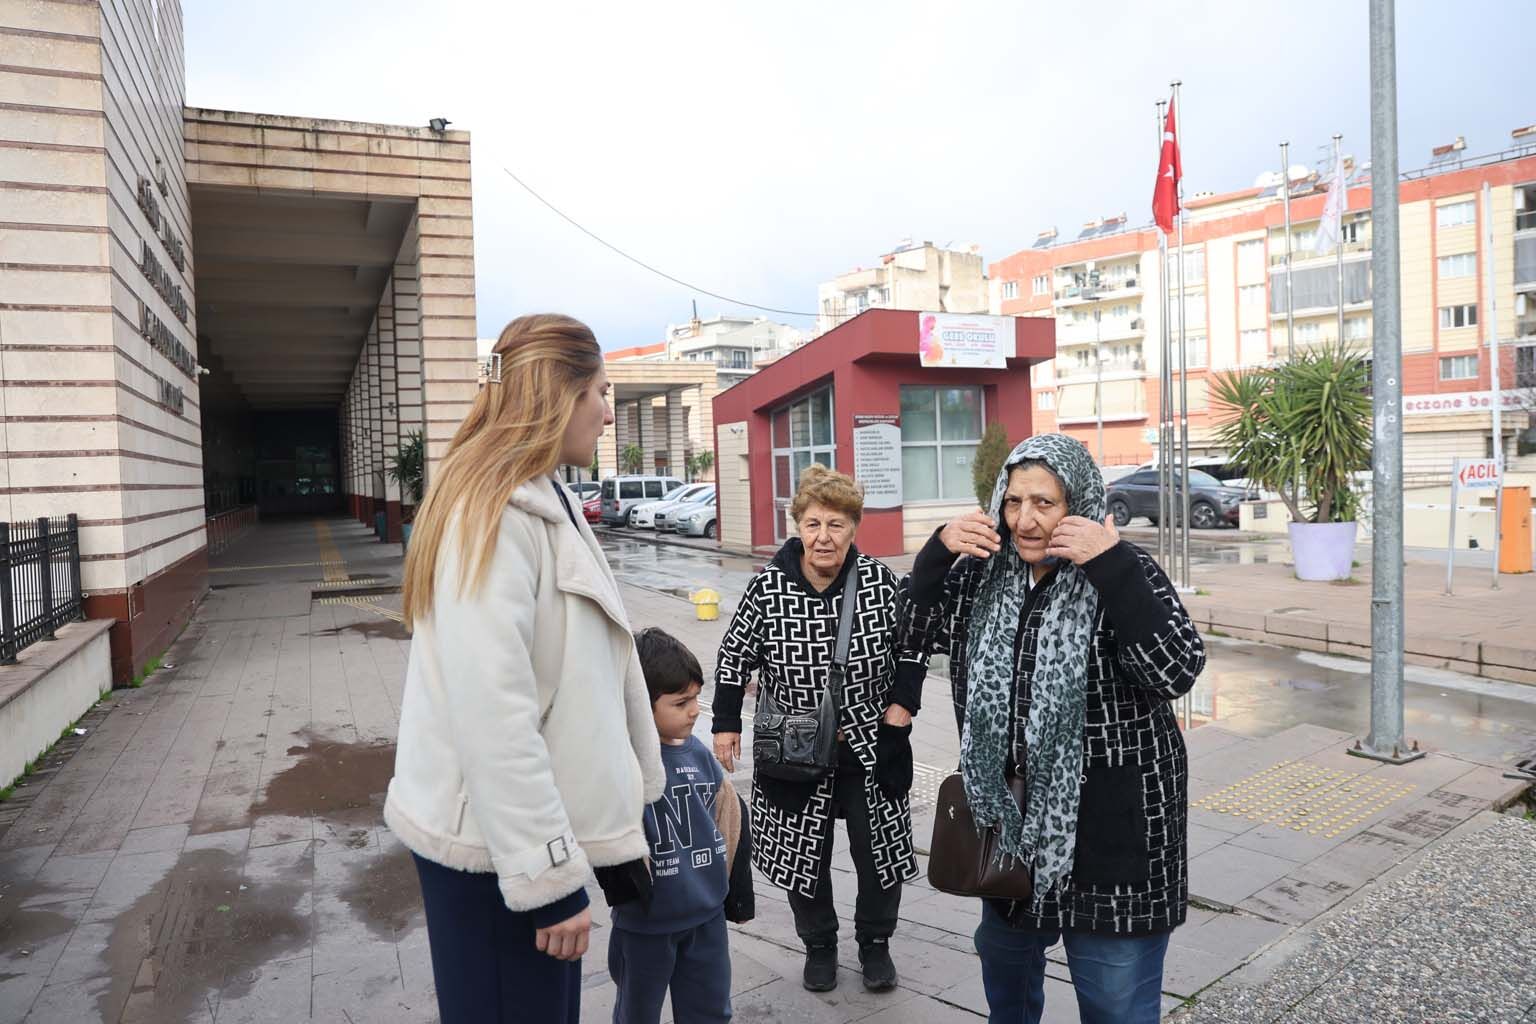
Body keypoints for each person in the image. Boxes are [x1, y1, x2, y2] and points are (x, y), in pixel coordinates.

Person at [384, 314, 665, 1024]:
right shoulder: (495, 512)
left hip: (514, 845)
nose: (607, 412)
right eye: (600, 393)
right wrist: (548, 879)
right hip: (495, 859)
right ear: (558, 394)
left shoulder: (543, 498)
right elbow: (495, 714)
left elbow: (567, 686)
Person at [902, 433, 1205, 1024]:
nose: (1025, 520)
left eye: (1045, 503)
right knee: (1008, 998)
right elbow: (908, 636)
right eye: (1014, 502)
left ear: (1082, 503)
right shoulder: (982, 576)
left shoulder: (1126, 568)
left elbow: (1177, 669)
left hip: (1114, 833)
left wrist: (1111, 565)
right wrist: (935, 555)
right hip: (1010, 831)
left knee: (1116, 1005)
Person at [712, 463, 927, 994]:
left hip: (870, 745)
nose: (823, 536)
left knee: (879, 853)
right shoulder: (768, 586)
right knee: (802, 854)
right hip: (793, 748)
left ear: (854, 528)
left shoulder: (880, 582)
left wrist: (900, 712)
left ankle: (875, 944)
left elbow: (914, 649)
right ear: (797, 526)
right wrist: (723, 723)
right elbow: (734, 656)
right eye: (813, 523)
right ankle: (820, 946)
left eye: (835, 524)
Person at [608, 627, 754, 1024]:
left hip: (706, 917)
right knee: (637, 1012)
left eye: (695, 698)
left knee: (709, 1010)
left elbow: (729, 825)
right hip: (645, 926)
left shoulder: (703, 759)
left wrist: (734, 893)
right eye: (680, 702)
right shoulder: (623, 764)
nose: (694, 710)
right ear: (638, 704)